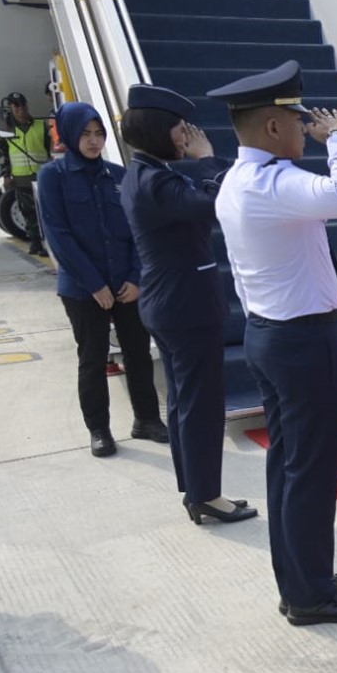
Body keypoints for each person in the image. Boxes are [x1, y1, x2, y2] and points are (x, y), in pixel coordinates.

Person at [208, 61, 337, 625]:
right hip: (302, 343)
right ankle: (308, 595)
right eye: (299, 122)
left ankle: (304, 574)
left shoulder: (240, 179)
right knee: (309, 471)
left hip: (272, 336)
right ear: (274, 127)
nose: (308, 130)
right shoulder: (274, 182)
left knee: (290, 467)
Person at [119, 83, 256, 527]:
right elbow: (218, 203)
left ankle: (195, 488)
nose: (187, 137)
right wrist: (207, 157)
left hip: (169, 302)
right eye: (181, 130)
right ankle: (206, 495)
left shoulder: (143, 173)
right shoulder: (157, 181)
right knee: (200, 404)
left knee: (183, 401)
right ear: (161, 132)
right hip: (185, 307)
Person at [34, 102, 168, 458]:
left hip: (126, 284)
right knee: (92, 358)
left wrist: (136, 277)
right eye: (86, 135)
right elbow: (58, 236)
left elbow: (141, 229)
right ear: (69, 135)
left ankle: (147, 419)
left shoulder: (118, 175)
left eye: (99, 134)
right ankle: (99, 429)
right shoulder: (53, 176)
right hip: (83, 289)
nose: (94, 142)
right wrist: (94, 286)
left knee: (138, 353)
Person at [2, 92, 52, 256]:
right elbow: (3, 154)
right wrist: (6, 176)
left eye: (22, 105)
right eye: (16, 106)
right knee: (28, 213)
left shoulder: (40, 125)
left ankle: (46, 245)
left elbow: (49, 148)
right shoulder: (7, 130)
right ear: (10, 108)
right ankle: (36, 244)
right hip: (21, 177)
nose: (20, 109)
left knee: (43, 212)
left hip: (40, 176)